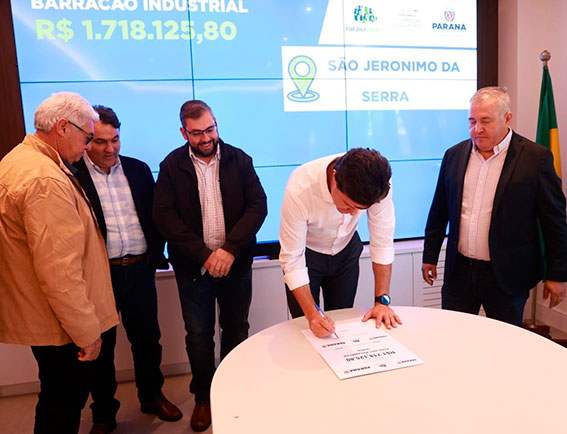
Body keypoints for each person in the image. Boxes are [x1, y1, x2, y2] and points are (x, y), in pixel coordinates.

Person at [0, 92, 119, 434]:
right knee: (63, 404)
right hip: (60, 326)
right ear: (63, 127)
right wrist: (87, 333)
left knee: (56, 396)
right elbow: (60, 273)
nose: (88, 146)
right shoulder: (45, 180)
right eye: (87, 137)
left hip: (45, 315)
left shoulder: (19, 160)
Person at [153, 100, 267, 432]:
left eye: (210, 129)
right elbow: (165, 218)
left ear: (216, 124)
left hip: (235, 264)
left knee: (236, 329)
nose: (206, 138)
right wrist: (205, 255)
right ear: (183, 132)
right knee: (198, 335)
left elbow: (258, 206)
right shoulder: (171, 166)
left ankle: (231, 390)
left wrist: (229, 250)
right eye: (197, 133)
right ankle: (204, 398)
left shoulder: (239, 159)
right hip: (194, 269)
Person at [74, 106, 182, 434]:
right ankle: (104, 413)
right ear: (86, 141)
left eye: (115, 140)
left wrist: (154, 253)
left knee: (148, 339)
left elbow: (156, 215)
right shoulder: (73, 176)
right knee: (101, 347)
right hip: (100, 275)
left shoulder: (138, 169)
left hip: (139, 269)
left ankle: (151, 396)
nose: (110, 148)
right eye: (101, 141)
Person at [422, 86, 567, 326]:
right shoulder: (454, 155)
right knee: (454, 336)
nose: (477, 129)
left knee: (505, 343)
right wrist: (430, 256)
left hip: (507, 276)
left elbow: (555, 222)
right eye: (472, 121)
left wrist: (557, 274)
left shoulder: (535, 158)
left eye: (485, 121)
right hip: (459, 273)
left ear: (507, 118)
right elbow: (439, 211)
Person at [279, 148, 402, 338]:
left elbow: (382, 240)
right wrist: (312, 315)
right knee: (307, 326)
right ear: (335, 178)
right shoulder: (301, 186)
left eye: (359, 209)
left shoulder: (379, 183)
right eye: (348, 204)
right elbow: (292, 258)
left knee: (342, 323)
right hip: (307, 254)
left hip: (346, 251)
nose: (353, 213)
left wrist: (382, 302)